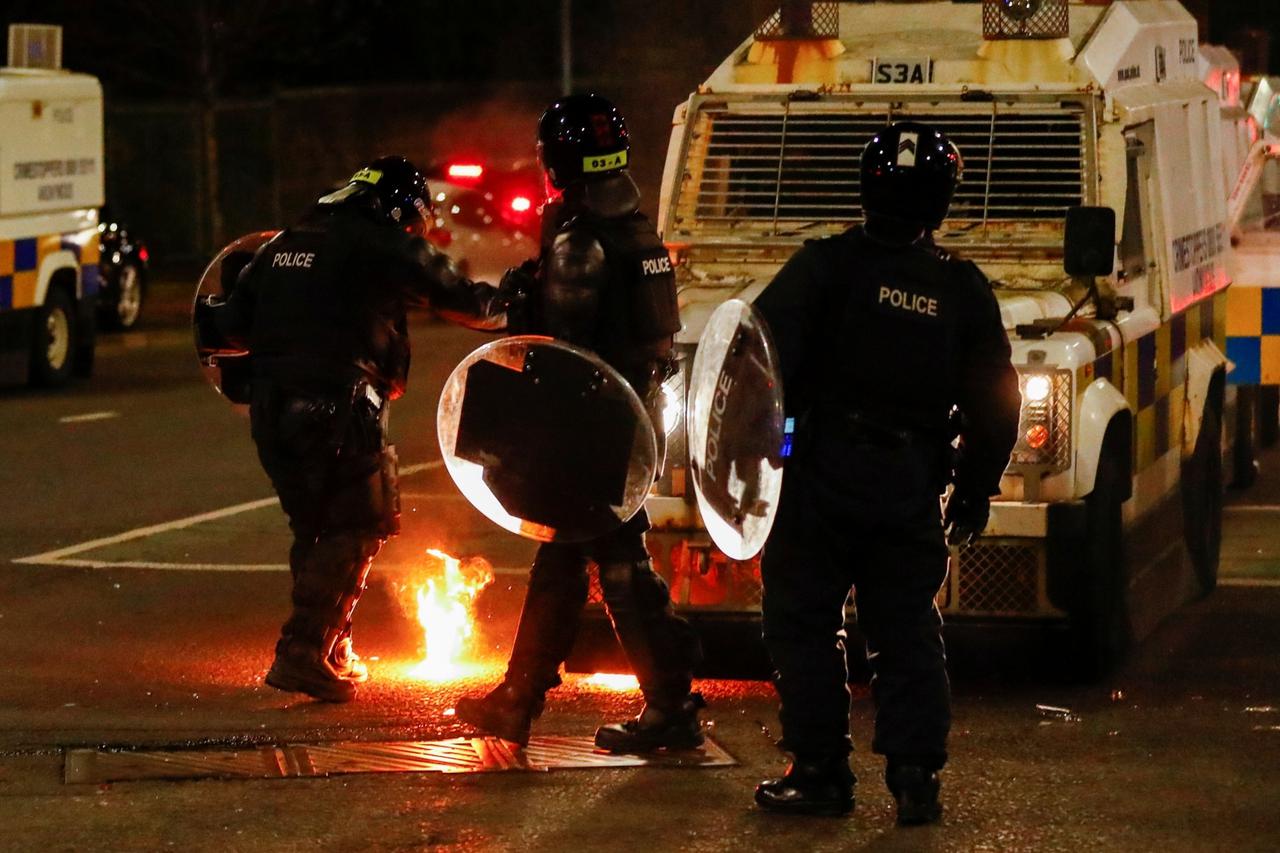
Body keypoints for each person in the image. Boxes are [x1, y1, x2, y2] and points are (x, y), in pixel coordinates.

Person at [750, 122, 1020, 822]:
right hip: (907, 483)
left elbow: (754, 360)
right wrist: (975, 487)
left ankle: (818, 771)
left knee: (803, 620)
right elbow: (997, 399)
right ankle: (914, 778)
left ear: (865, 188)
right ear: (944, 199)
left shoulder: (823, 267)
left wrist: (763, 458)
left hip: (818, 477)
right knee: (905, 627)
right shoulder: (961, 287)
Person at [197, 156, 508, 703]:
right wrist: (521, 298)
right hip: (339, 409)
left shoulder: (283, 245)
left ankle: (332, 645)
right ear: (401, 211)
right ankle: (303, 650)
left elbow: (225, 328)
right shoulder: (382, 242)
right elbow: (467, 302)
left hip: (271, 411)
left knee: (314, 528)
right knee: (360, 525)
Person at [454, 94, 704, 752]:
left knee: (615, 564)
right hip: (627, 419)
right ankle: (519, 697)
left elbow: (559, 351)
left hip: (587, 426)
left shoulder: (579, 238)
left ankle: (668, 704)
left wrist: (519, 305)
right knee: (562, 556)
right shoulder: (635, 227)